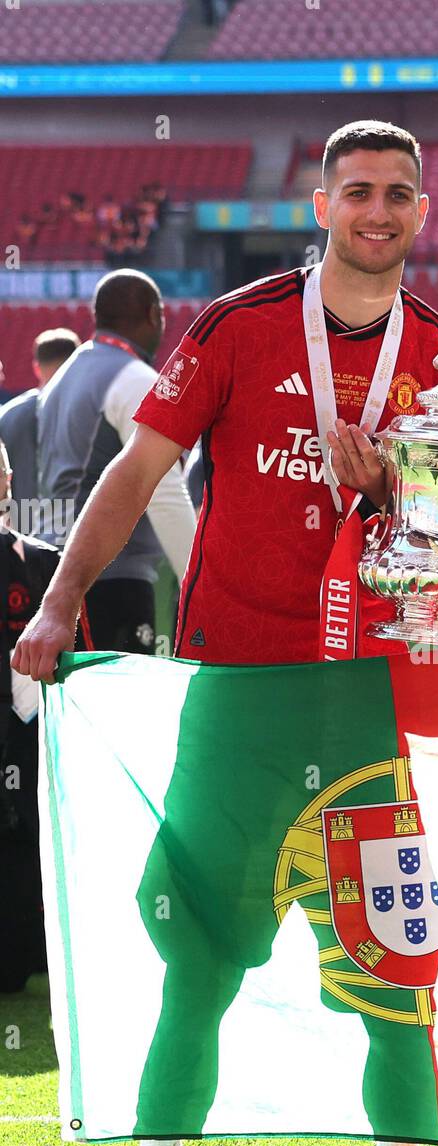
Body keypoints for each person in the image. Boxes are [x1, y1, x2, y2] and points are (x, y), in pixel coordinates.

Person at [14, 119, 438, 1146]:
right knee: (202, 942)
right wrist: (59, 599)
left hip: (364, 699)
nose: (376, 210)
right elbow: (138, 470)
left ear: (423, 211)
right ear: (321, 205)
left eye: (397, 193)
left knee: (392, 947)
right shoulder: (237, 328)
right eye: (356, 191)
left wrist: (392, 494)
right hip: (237, 685)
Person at [35, 270, 195, 653]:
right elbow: (163, 491)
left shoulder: (66, 373)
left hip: (59, 574)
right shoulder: (134, 377)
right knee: (125, 710)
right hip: (107, 578)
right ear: (152, 314)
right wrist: (200, 582)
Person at [0, 443, 60, 992]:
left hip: (33, 724)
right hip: (21, 723)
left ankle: (37, 948)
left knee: (36, 827)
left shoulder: (43, 561)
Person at [0, 329, 81, 526]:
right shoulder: (92, 412)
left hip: (21, 533)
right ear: (77, 366)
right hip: (75, 531)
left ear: (37, 368)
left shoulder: (8, 415)